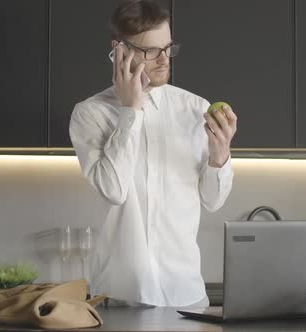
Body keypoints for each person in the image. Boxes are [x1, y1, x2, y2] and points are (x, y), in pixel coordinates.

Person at [69, 0, 237, 307]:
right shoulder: (90, 114)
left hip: (187, 296)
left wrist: (219, 156)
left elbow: (213, 201)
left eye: (168, 47)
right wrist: (129, 110)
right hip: (120, 298)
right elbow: (114, 190)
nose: (163, 60)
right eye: (151, 51)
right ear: (120, 50)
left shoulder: (195, 109)